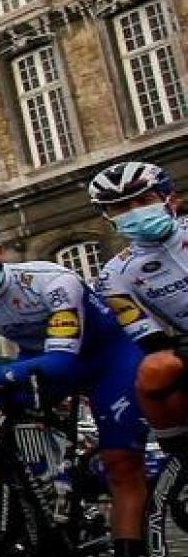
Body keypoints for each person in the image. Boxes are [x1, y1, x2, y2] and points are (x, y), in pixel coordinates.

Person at [0, 212, 147, 557]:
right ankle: (17, 513)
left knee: (121, 462)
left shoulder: (52, 280)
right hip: (36, 360)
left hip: (104, 359)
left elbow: (60, 360)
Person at [91, 161, 188, 461]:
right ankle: (182, 457)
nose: (134, 212)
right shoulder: (113, 274)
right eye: (121, 208)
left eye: (143, 201)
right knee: (153, 369)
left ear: (168, 199)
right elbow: (151, 344)